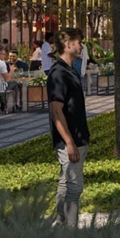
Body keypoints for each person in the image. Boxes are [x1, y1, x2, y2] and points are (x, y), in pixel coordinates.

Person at [47, 28, 90, 226]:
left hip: (77, 136)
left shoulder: (70, 69)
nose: (81, 45)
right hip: (70, 139)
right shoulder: (58, 73)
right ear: (68, 44)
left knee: (66, 183)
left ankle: (61, 225)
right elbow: (56, 110)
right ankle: (70, 232)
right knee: (74, 186)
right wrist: (69, 142)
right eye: (79, 42)